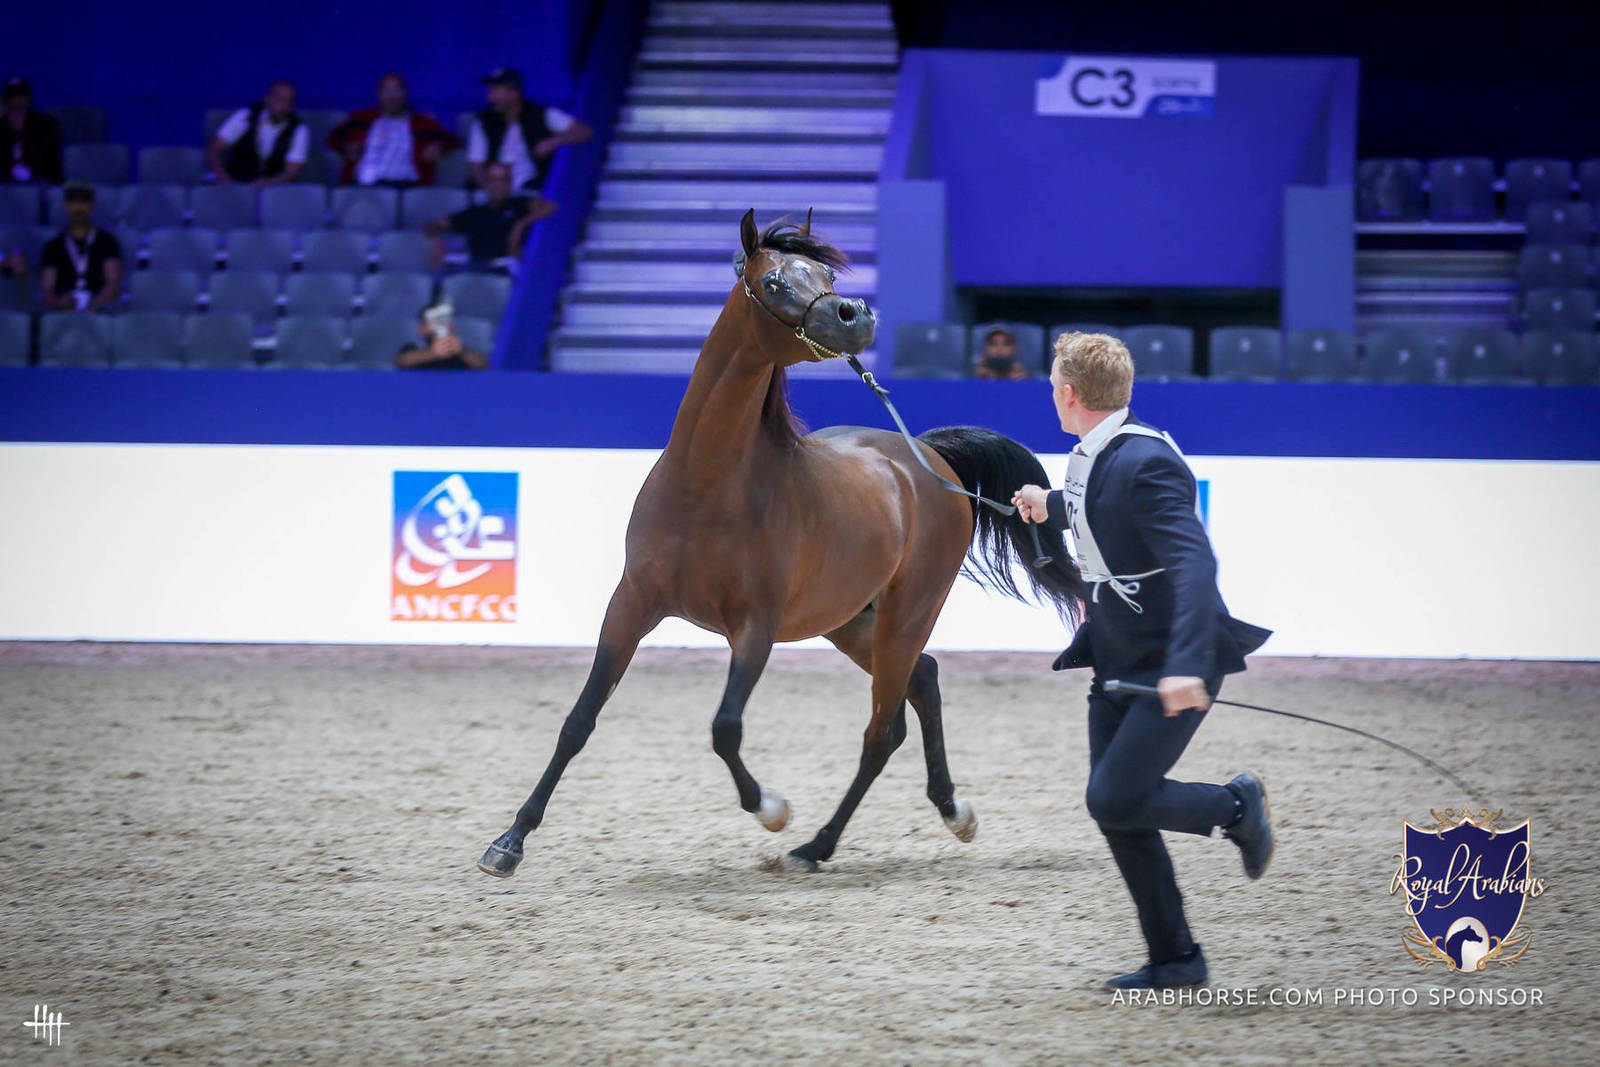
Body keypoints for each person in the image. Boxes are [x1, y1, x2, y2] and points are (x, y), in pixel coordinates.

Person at [1011, 331, 1273, 992]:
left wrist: (1186, 662)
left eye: (1051, 387)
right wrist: (1050, 505)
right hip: (1119, 658)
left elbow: (1193, 562)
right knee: (1118, 809)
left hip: (1172, 663)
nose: (1052, 395)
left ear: (1068, 394)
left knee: (1114, 794)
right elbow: (1098, 501)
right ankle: (1175, 957)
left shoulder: (1147, 462)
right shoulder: (1096, 455)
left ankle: (1237, 808)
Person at [467, 67, 591, 192]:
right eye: (490, 91)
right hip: (495, 187)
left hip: (529, 185)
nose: (490, 98)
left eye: (496, 91)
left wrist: (552, 142)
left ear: (514, 93)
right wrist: (487, 188)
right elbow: (476, 165)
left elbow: (583, 131)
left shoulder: (540, 114)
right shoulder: (483, 121)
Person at [326, 73, 460, 188]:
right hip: (364, 183)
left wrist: (439, 147)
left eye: (396, 90)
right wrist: (346, 146)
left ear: (405, 94)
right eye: (386, 91)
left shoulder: (423, 123)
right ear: (378, 95)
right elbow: (333, 137)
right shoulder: (361, 119)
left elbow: (453, 140)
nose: (391, 96)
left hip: (405, 185)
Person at [425, 161, 555, 270]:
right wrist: (436, 242)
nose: (497, 185)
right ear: (486, 184)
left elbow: (550, 207)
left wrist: (520, 224)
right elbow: (433, 225)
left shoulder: (521, 204)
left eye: (502, 180)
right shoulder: (475, 213)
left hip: (508, 268)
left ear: (509, 183)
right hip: (477, 269)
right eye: (493, 180)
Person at [38, 182, 122, 312]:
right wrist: (58, 303)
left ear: (92, 206)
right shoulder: (53, 246)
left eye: (83, 202)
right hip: (63, 309)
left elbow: (113, 282)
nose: (78, 208)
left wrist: (95, 305)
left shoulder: (107, 241)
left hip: (99, 310)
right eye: (73, 202)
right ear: (65, 206)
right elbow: (47, 288)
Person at [207, 80, 309, 186]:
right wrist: (224, 179)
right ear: (267, 98)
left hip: (273, 189)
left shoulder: (298, 129)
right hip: (236, 183)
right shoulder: (246, 116)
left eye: (288, 102)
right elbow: (214, 150)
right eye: (279, 99)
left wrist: (267, 184)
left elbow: (291, 172)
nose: (282, 106)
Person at [1, 76, 63, 184]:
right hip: (6, 186)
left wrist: (32, 173)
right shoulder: (1, 128)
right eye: (12, 96)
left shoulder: (46, 125)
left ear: (29, 98)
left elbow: (52, 164)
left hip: (39, 183)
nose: (17, 101)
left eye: (21, 95)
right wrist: (11, 173)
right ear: (6, 101)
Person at [396, 301, 487, 370]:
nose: (439, 325)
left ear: (452, 327)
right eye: (433, 321)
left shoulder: (460, 352)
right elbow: (402, 361)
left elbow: (483, 366)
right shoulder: (414, 349)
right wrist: (432, 353)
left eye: (443, 320)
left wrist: (462, 352)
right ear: (421, 330)